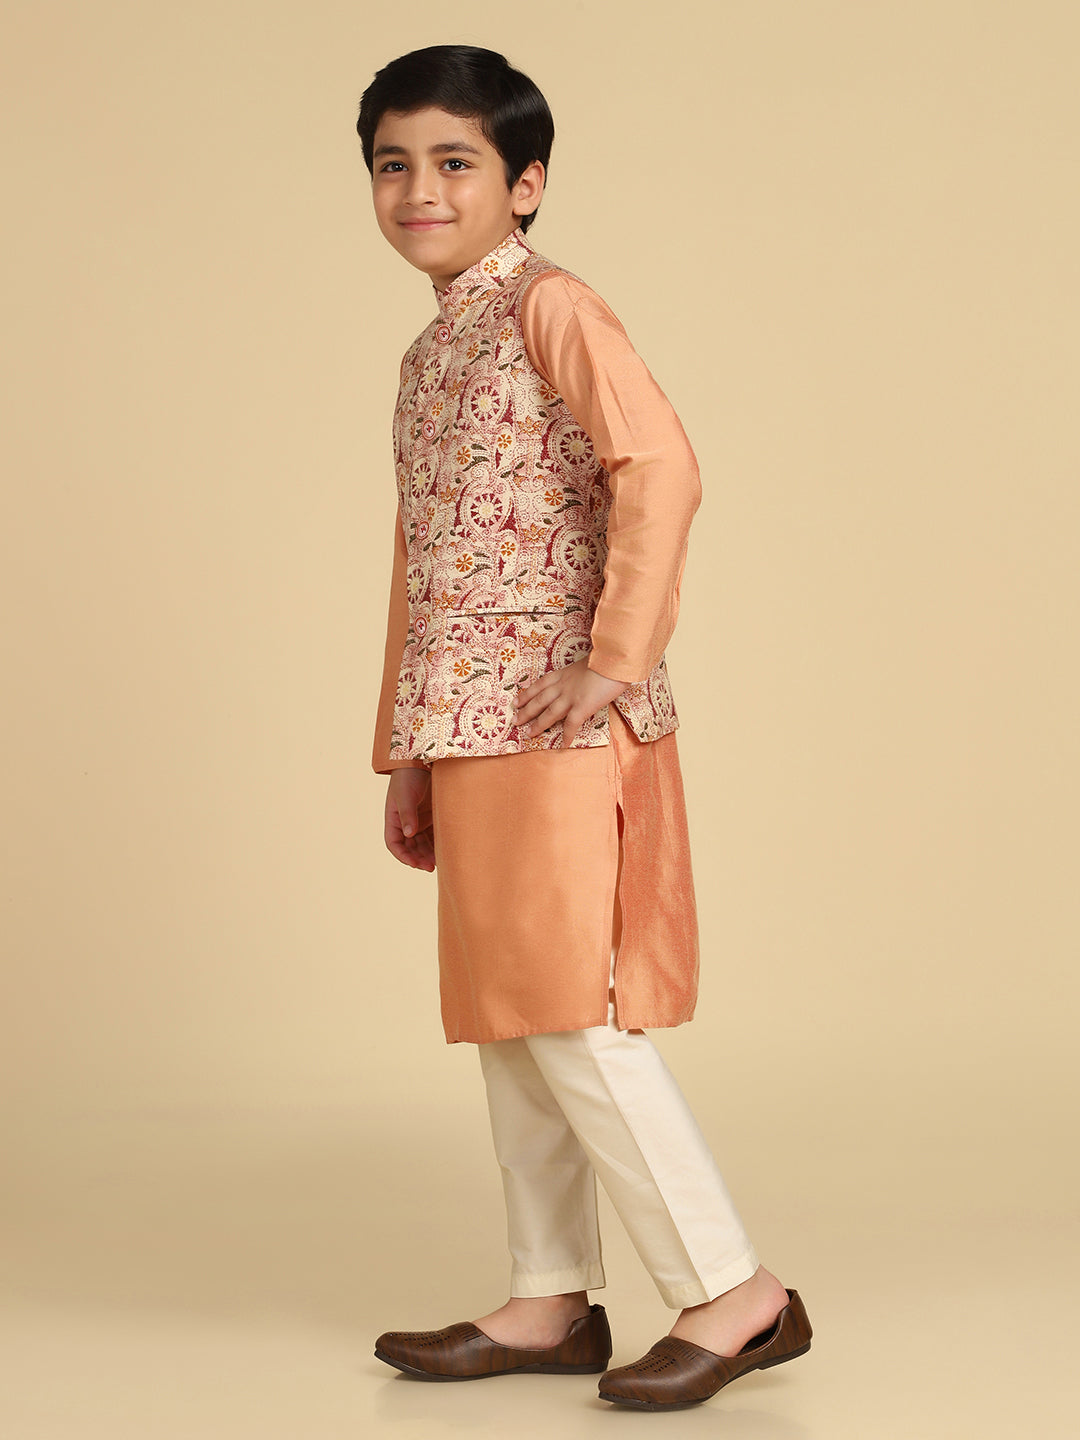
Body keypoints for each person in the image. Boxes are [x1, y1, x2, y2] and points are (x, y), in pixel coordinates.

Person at [357, 44, 812, 1411]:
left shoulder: (553, 306)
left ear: (527, 183)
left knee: (570, 1013)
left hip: (559, 724)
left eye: (455, 162)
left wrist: (614, 662)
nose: (420, 189)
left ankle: (736, 1291)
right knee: (513, 1017)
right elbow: (426, 560)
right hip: (471, 726)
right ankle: (550, 1297)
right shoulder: (432, 349)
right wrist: (409, 749)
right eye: (392, 164)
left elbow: (660, 464)